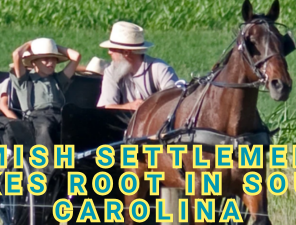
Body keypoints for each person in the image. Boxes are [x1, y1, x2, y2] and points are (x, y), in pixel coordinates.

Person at [10, 37, 81, 174]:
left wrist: (53, 46)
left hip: (59, 115)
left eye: (54, 59)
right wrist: (30, 44)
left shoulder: (58, 80)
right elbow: (16, 55)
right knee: (45, 128)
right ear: (34, 62)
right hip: (36, 118)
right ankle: (45, 170)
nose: (51, 63)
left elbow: (76, 56)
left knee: (75, 128)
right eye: (45, 59)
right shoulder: (25, 80)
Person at [96, 21, 179, 111]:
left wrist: (148, 106)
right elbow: (106, 108)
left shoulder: (160, 69)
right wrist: (130, 107)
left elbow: (175, 101)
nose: (109, 52)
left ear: (126, 52)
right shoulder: (111, 71)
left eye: (112, 49)